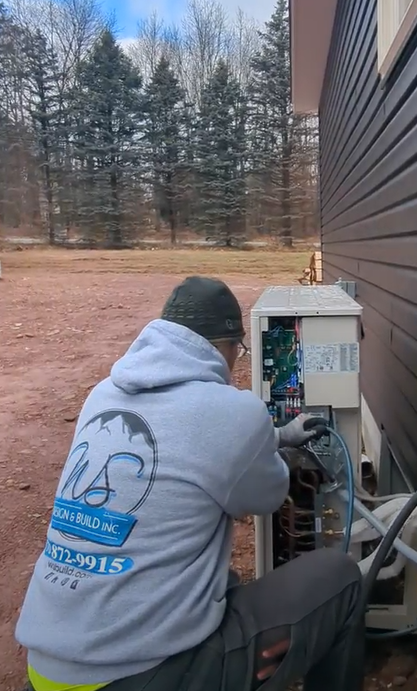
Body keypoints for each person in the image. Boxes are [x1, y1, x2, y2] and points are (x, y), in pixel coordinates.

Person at [16, 276, 365, 691]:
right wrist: (270, 446)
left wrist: (279, 436)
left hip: (46, 667)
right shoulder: (235, 412)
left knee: (221, 582)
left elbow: (186, 438)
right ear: (229, 346)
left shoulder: (103, 395)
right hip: (138, 675)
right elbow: (269, 495)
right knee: (341, 578)